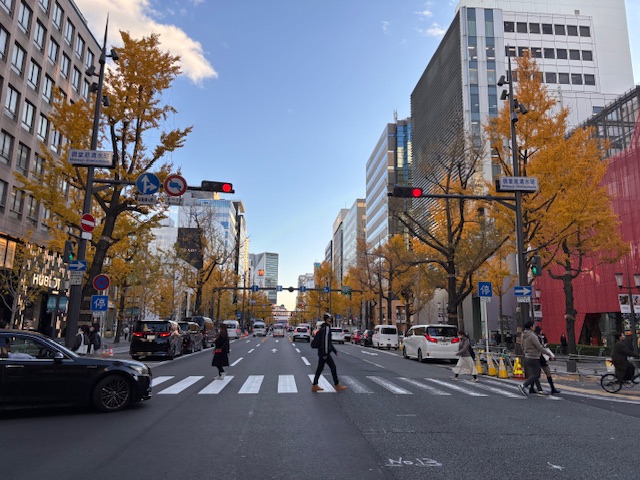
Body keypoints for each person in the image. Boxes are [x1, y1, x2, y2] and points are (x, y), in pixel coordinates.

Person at [518, 321, 555, 397]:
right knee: (536, 374)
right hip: (534, 356)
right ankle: (523, 385)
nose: (535, 327)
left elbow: (522, 345)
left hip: (527, 356)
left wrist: (525, 351)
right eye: (534, 325)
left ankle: (536, 389)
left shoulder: (523, 335)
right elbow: (539, 347)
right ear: (531, 327)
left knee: (533, 374)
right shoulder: (532, 336)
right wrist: (549, 354)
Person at [311, 313, 347, 392]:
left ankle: (314, 385)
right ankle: (336, 385)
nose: (331, 319)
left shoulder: (323, 327)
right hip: (324, 352)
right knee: (332, 367)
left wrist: (334, 351)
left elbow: (328, 342)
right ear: (327, 319)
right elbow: (325, 342)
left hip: (322, 351)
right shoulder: (326, 328)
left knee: (320, 368)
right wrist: (325, 353)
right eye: (330, 318)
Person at [531, 326, 560, 395]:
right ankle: (552, 388)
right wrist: (548, 354)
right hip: (540, 357)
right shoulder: (537, 338)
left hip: (539, 356)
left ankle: (532, 388)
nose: (542, 332)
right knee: (544, 373)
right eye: (541, 330)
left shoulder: (538, 337)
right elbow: (540, 348)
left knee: (537, 374)